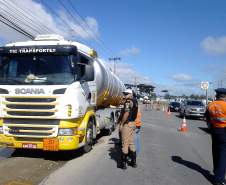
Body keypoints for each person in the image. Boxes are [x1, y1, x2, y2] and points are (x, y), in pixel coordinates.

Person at [205, 88, 226, 185]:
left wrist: (210, 126)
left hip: (214, 131)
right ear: (224, 96)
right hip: (224, 131)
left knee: (216, 151)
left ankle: (216, 171)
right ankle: (219, 179)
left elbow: (207, 118)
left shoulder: (211, 104)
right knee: (223, 155)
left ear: (217, 95)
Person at [119, 89, 138, 169]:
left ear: (130, 94)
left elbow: (126, 113)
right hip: (133, 124)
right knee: (131, 143)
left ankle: (123, 164)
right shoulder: (135, 101)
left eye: (126, 94)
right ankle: (133, 163)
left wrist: (122, 123)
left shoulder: (128, 102)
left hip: (127, 124)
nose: (125, 95)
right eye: (124, 93)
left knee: (125, 144)